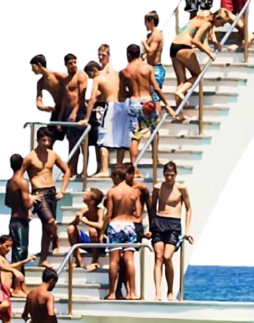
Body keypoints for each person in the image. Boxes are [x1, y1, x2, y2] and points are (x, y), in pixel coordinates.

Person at [117, 42, 175, 169]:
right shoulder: (148, 68)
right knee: (154, 130)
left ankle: (134, 166)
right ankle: (155, 158)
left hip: (134, 103)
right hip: (147, 101)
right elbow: (156, 88)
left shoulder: (124, 71)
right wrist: (167, 105)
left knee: (136, 135)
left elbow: (121, 95)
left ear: (128, 54)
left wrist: (130, 93)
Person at [23, 126, 73, 263]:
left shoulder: (54, 154)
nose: (46, 143)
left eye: (48, 140)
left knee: (46, 228)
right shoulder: (29, 157)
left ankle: (43, 259)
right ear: (38, 140)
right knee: (50, 222)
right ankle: (56, 239)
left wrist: (62, 189)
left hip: (51, 191)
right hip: (39, 193)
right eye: (43, 140)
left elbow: (67, 170)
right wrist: (29, 196)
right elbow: (18, 176)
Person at [166, 6, 222, 118]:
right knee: (198, 75)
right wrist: (209, 53)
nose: (222, 25)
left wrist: (214, 43)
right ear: (217, 19)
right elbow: (196, 41)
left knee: (181, 81)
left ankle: (179, 113)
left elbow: (201, 38)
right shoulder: (207, 24)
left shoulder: (194, 20)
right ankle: (180, 92)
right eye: (223, 23)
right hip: (183, 48)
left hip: (172, 47)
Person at [104, 163, 146, 300]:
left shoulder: (112, 192)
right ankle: (132, 292)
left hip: (115, 224)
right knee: (129, 260)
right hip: (129, 225)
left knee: (114, 261)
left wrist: (102, 231)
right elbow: (139, 213)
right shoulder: (133, 192)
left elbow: (109, 214)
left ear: (117, 176)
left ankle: (112, 293)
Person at [151, 161, 192, 301]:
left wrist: (187, 230)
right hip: (159, 221)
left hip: (174, 223)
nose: (169, 178)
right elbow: (152, 206)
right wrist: (152, 224)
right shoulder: (157, 187)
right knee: (158, 257)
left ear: (175, 175)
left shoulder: (181, 188)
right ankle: (157, 292)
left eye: (172, 175)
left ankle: (170, 290)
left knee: (167, 257)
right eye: (167, 175)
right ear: (163, 174)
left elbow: (189, 208)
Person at [84, 46, 124, 178]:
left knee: (103, 139)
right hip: (121, 105)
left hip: (110, 106)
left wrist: (86, 118)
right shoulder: (111, 73)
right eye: (98, 55)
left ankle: (105, 169)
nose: (100, 58)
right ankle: (118, 167)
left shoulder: (105, 73)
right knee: (120, 139)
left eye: (103, 55)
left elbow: (93, 99)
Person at [67, 187, 107, 271]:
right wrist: (77, 219)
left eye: (86, 195)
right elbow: (71, 225)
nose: (83, 196)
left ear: (92, 201)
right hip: (91, 243)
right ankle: (78, 260)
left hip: (101, 244)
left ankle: (95, 261)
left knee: (92, 231)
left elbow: (100, 225)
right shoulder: (84, 210)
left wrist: (84, 221)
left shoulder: (100, 211)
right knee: (71, 229)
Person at [5, 152, 33, 265]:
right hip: (21, 222)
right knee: (21, 255)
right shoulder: (22, 182)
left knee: (15, 254)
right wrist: (33, 198)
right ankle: (18, 282)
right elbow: (27, 204)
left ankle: (16, 281)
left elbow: (7, 202)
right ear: (22, 164)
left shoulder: (10, 182)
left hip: (12, 220)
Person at [0, 232, 30, 299]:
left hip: (8, 289)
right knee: (17, 270)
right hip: (2, 289)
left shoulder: (4, 258)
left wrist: (24, 261)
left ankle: (21, 290)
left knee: (18, 268)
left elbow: (9, 266)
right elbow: (1, 266)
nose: (9, 249)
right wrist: (14, 270)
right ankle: (17, 291)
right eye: (7, 246)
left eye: (10, 246)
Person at [140, 12, 167, 98]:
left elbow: (151, 51)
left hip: (156, 69)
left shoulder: (157, 35)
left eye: (145, 22)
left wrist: (144, 43)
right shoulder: (150, 35)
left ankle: (157, 112)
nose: (144, 24)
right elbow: (146, 53)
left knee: (156, 97)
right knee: (149, 95)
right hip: (150, 68)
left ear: (151, 21)